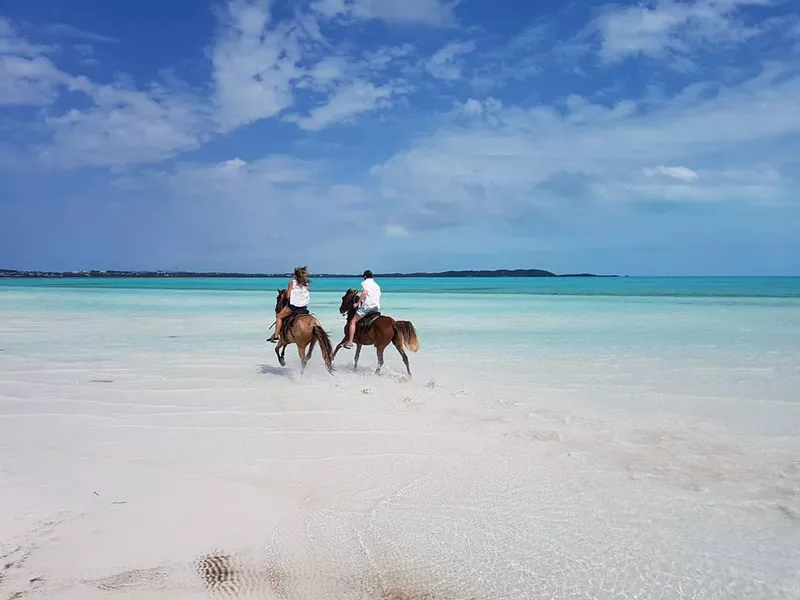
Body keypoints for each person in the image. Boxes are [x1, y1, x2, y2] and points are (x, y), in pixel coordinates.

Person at [269, 266, 310, 343]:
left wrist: (285, 296)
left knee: (279, 317)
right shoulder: (306, 283)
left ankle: (276, 336)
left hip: (294, 306)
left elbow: (288, 296)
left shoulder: (292, 282)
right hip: (304, 307)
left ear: (295, 275)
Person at [344, 269, 381, 349]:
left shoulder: (365, 283)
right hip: (376, 308)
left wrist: (357, 303)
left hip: (367, 307)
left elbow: (364, 293)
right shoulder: (377, 285)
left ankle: (350, 342)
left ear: (365, 276)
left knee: (352, 321)